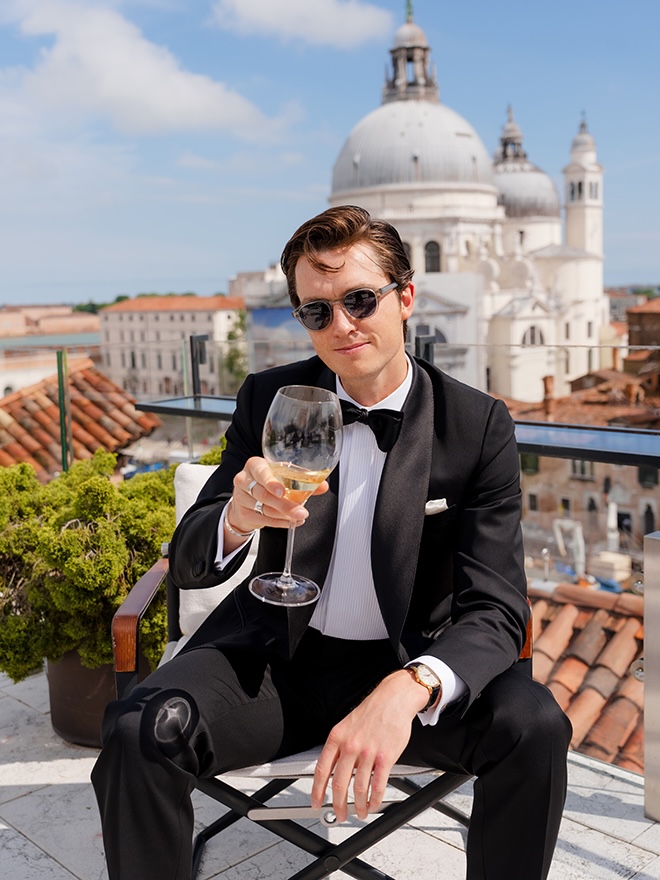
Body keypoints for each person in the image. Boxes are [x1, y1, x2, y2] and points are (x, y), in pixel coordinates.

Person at [92, 205, 571, 880]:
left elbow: (497, 606)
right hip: (277, 662)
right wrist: (237, 517)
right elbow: (192, 557)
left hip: (414, 666)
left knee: (536, 727)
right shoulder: (269, 398)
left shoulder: (476, 424)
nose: (341, 325)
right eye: (317, 310)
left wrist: (409, 688)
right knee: (137, 731)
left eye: (359, 299)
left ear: (406, 298)